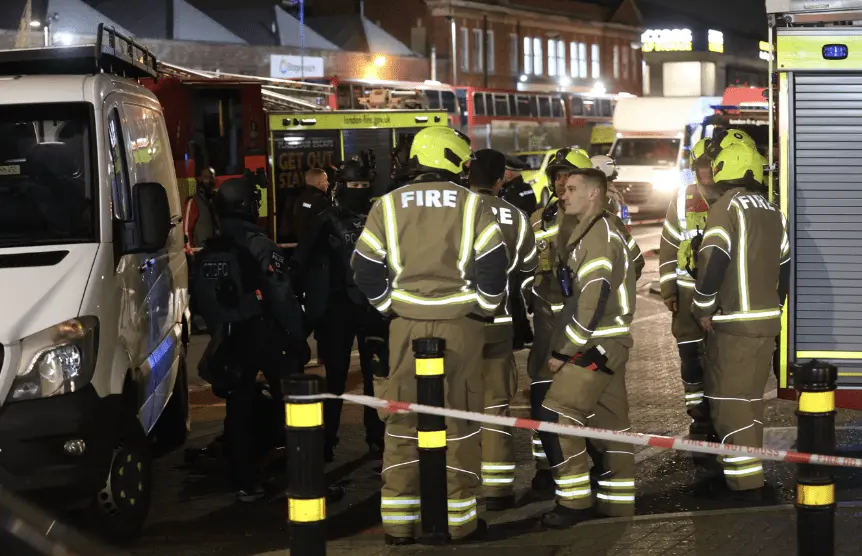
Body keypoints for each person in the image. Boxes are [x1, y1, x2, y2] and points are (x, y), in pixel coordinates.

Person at [351, 126, 509, 545]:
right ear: (454, 158)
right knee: (459, 423)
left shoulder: (385, 206)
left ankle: (399, 524)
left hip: (405, 328)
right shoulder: (474, 205)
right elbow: (494, 267)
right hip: (462, 328)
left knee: (402, 420)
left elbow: (365, 268)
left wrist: (390, 308)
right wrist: (483, 310)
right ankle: (460, 523)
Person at [193, 176, 310, 502]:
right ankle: (303, 480)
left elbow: (200, 301)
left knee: (238, 411)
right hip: (266, 335)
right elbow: (282, 295)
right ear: (248, 206)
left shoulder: (211, 249)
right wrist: (298, 338)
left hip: (229, 338)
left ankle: (244, 482)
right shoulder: (258, 244)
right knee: (297, 409)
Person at [691, 143, 789, 500]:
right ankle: (752, 476)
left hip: (733, 324)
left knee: (728, 404)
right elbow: (786, 268)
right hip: (766, 323)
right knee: (750, 403)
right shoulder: (774, 211)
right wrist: (773, 306)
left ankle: (745, 485)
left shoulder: (725, 207)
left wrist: (702, 308)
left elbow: (714, 258)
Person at [540, 168, 637, 528]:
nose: (564, 194)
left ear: (594, 194)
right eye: (564, 189)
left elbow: (593, 298)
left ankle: (574, 503)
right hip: (610, 345)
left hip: (593, 351)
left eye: (573, 189)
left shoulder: (597, 236)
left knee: (557, 415)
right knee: (612, 426)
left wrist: (565, 351)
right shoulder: (604, 229)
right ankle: (617, 505)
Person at [292, 156, 386, 462]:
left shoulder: (379, 216)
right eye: (353, 185)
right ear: (340, 186)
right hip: (338, 309)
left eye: (363, 185)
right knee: (335, 378)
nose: (358, 190)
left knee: (375, 378)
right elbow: (302, 261)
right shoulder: (326, 218)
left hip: (373, 308)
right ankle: (328, 438)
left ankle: (377, 438)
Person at [470, 149, 537, 510]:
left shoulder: (455, 211)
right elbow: (527, 267)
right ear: (501, 180)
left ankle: (458, 489)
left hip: (460, 324)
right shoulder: (514, 215)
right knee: (496, 407)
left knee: (457, 407)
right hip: (499, 324)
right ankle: (498, 491)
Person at [526, 148, 593, 491]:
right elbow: (523, 266)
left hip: (584, 327)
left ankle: (594, 464)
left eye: (568, 175)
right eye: (557, 176)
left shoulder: (599, 216)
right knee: (540, 396)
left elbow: (632, 264)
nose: (561, 182)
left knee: (587, 400)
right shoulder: (538, 219)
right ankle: (544, 465)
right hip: (546, 325)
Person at [657, 138, 720, 447]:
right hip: (686, 296)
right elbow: (668, 245)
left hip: (723, 297)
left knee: (720, 358)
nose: (708, 171)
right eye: (703, 166)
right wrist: (668, 288)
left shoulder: (732, 197)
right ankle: (698, 413)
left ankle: (721, 409)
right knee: (690, 357)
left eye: (712, 164)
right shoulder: (683, 198)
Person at [291, 167, 333, 241]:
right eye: (326, 180)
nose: (328, 183)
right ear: (318, 183)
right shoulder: (322, 201)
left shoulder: (300, 198)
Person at [183, 166, 218, 252]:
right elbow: (186, 229)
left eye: (212, 177)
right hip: (200, 251)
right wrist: (190, 249)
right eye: (206, 177)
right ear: (199, 179)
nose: (210, 180)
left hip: (215, 250)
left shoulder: (216, 200)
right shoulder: (193, 201)